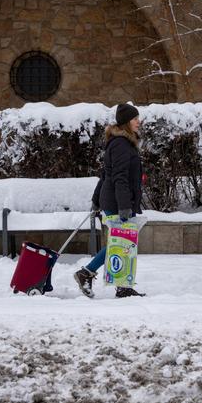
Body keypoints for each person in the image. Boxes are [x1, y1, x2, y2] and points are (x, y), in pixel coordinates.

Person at [73, 103, 145, 298]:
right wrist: (124, 206)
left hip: (115, 199)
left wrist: (96, 199)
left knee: (122, 242)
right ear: (126, 122)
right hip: (117, 202)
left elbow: (106, 174)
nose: (138, 122)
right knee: (121, 241)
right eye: (135, 119)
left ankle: (122, 286)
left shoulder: (121, 142)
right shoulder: (121, 144)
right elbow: (119, 177)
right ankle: (87, 273)